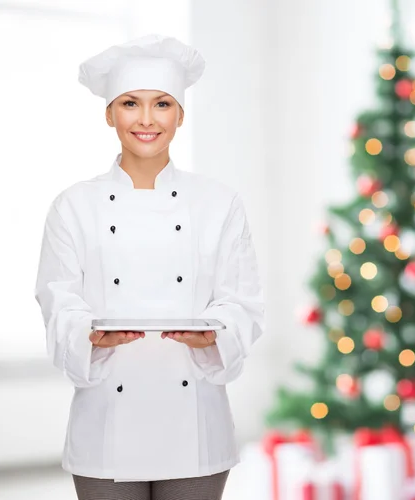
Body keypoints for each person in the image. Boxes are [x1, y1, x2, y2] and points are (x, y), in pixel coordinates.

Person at [34, 34, 265, 500]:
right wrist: (89, 334)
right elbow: (57, 299)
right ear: (108, 114)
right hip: (105, 423)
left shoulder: (219, 204)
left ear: (180, 114)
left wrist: (214, 333)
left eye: (162, 104)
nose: (145, 119)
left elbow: (242, 300)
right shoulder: (73, 206)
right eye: (129, 104)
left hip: (195, 423)